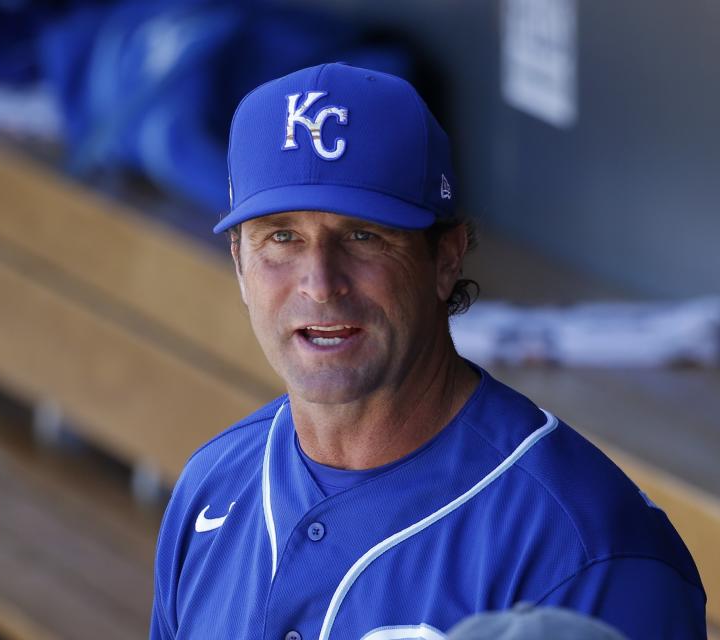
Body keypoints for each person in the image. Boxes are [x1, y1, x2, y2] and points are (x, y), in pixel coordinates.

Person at [150, 63, 706, 639]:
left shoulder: (583, 553)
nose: (319, 283)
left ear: (446, 259)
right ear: (240, 264)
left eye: (364, 235)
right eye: (282, 238)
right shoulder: (213, 483)